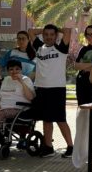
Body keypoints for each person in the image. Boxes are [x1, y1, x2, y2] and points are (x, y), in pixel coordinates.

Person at [29, 24, 74, 157]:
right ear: (42, 35)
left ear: (56, 36)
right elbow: (30, 31)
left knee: (60, 119)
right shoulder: (39, 47)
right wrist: (45, 30)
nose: (48, 37)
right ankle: (48, 147)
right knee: (46, 120)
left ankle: (71, 147)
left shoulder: (61, 48)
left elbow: (67, 30)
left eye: (52, 35)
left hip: (56, 89)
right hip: (41, 88)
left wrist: (56, 29)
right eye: (46, 35)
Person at [74, 24, 92, 106]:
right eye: (87, 34)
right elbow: (76, 65)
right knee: (82, 108)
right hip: (82, 82)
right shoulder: (83, 49)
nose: (89, 36)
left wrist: (84, 65)